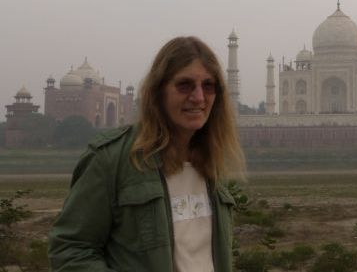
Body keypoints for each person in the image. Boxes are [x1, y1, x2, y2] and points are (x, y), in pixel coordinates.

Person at [48, 36, 245, 272]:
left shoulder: (211, 164)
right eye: (185, 85)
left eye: (208, 86)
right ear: (158, 90)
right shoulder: (113, 159)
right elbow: (70, 249)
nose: (199, 97)